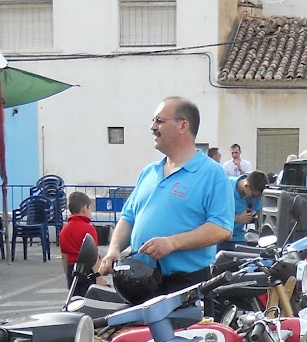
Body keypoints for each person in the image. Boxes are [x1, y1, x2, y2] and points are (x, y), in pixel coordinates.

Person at [94, 96, 233, 294]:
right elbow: (128, 217)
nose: (152, 127)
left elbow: (221, 228)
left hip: (184, 286)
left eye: (159, 121)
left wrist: (171, 243)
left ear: (183, 126)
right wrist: (114, 250)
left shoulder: (212, 173)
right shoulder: (149, 172)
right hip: (139, 282)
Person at [58, 190, 98, 286]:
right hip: (88, 270)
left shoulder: (64, 230)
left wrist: (68, 277)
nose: (90, 212)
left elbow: (64, 257)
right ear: (84, 209)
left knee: (75, 295)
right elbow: (94, 256)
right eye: (90, 208)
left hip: (72, 268)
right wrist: (99, 277)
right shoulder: (89, 229)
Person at [231, 170, 268, 244]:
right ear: (246, 186)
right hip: (219, 234)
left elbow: (262, 217)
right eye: (254, 196)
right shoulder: (225, 186)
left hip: (238, 236)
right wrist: (237, 218)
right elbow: (213, 214)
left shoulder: (257, 196)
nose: (256, 199)